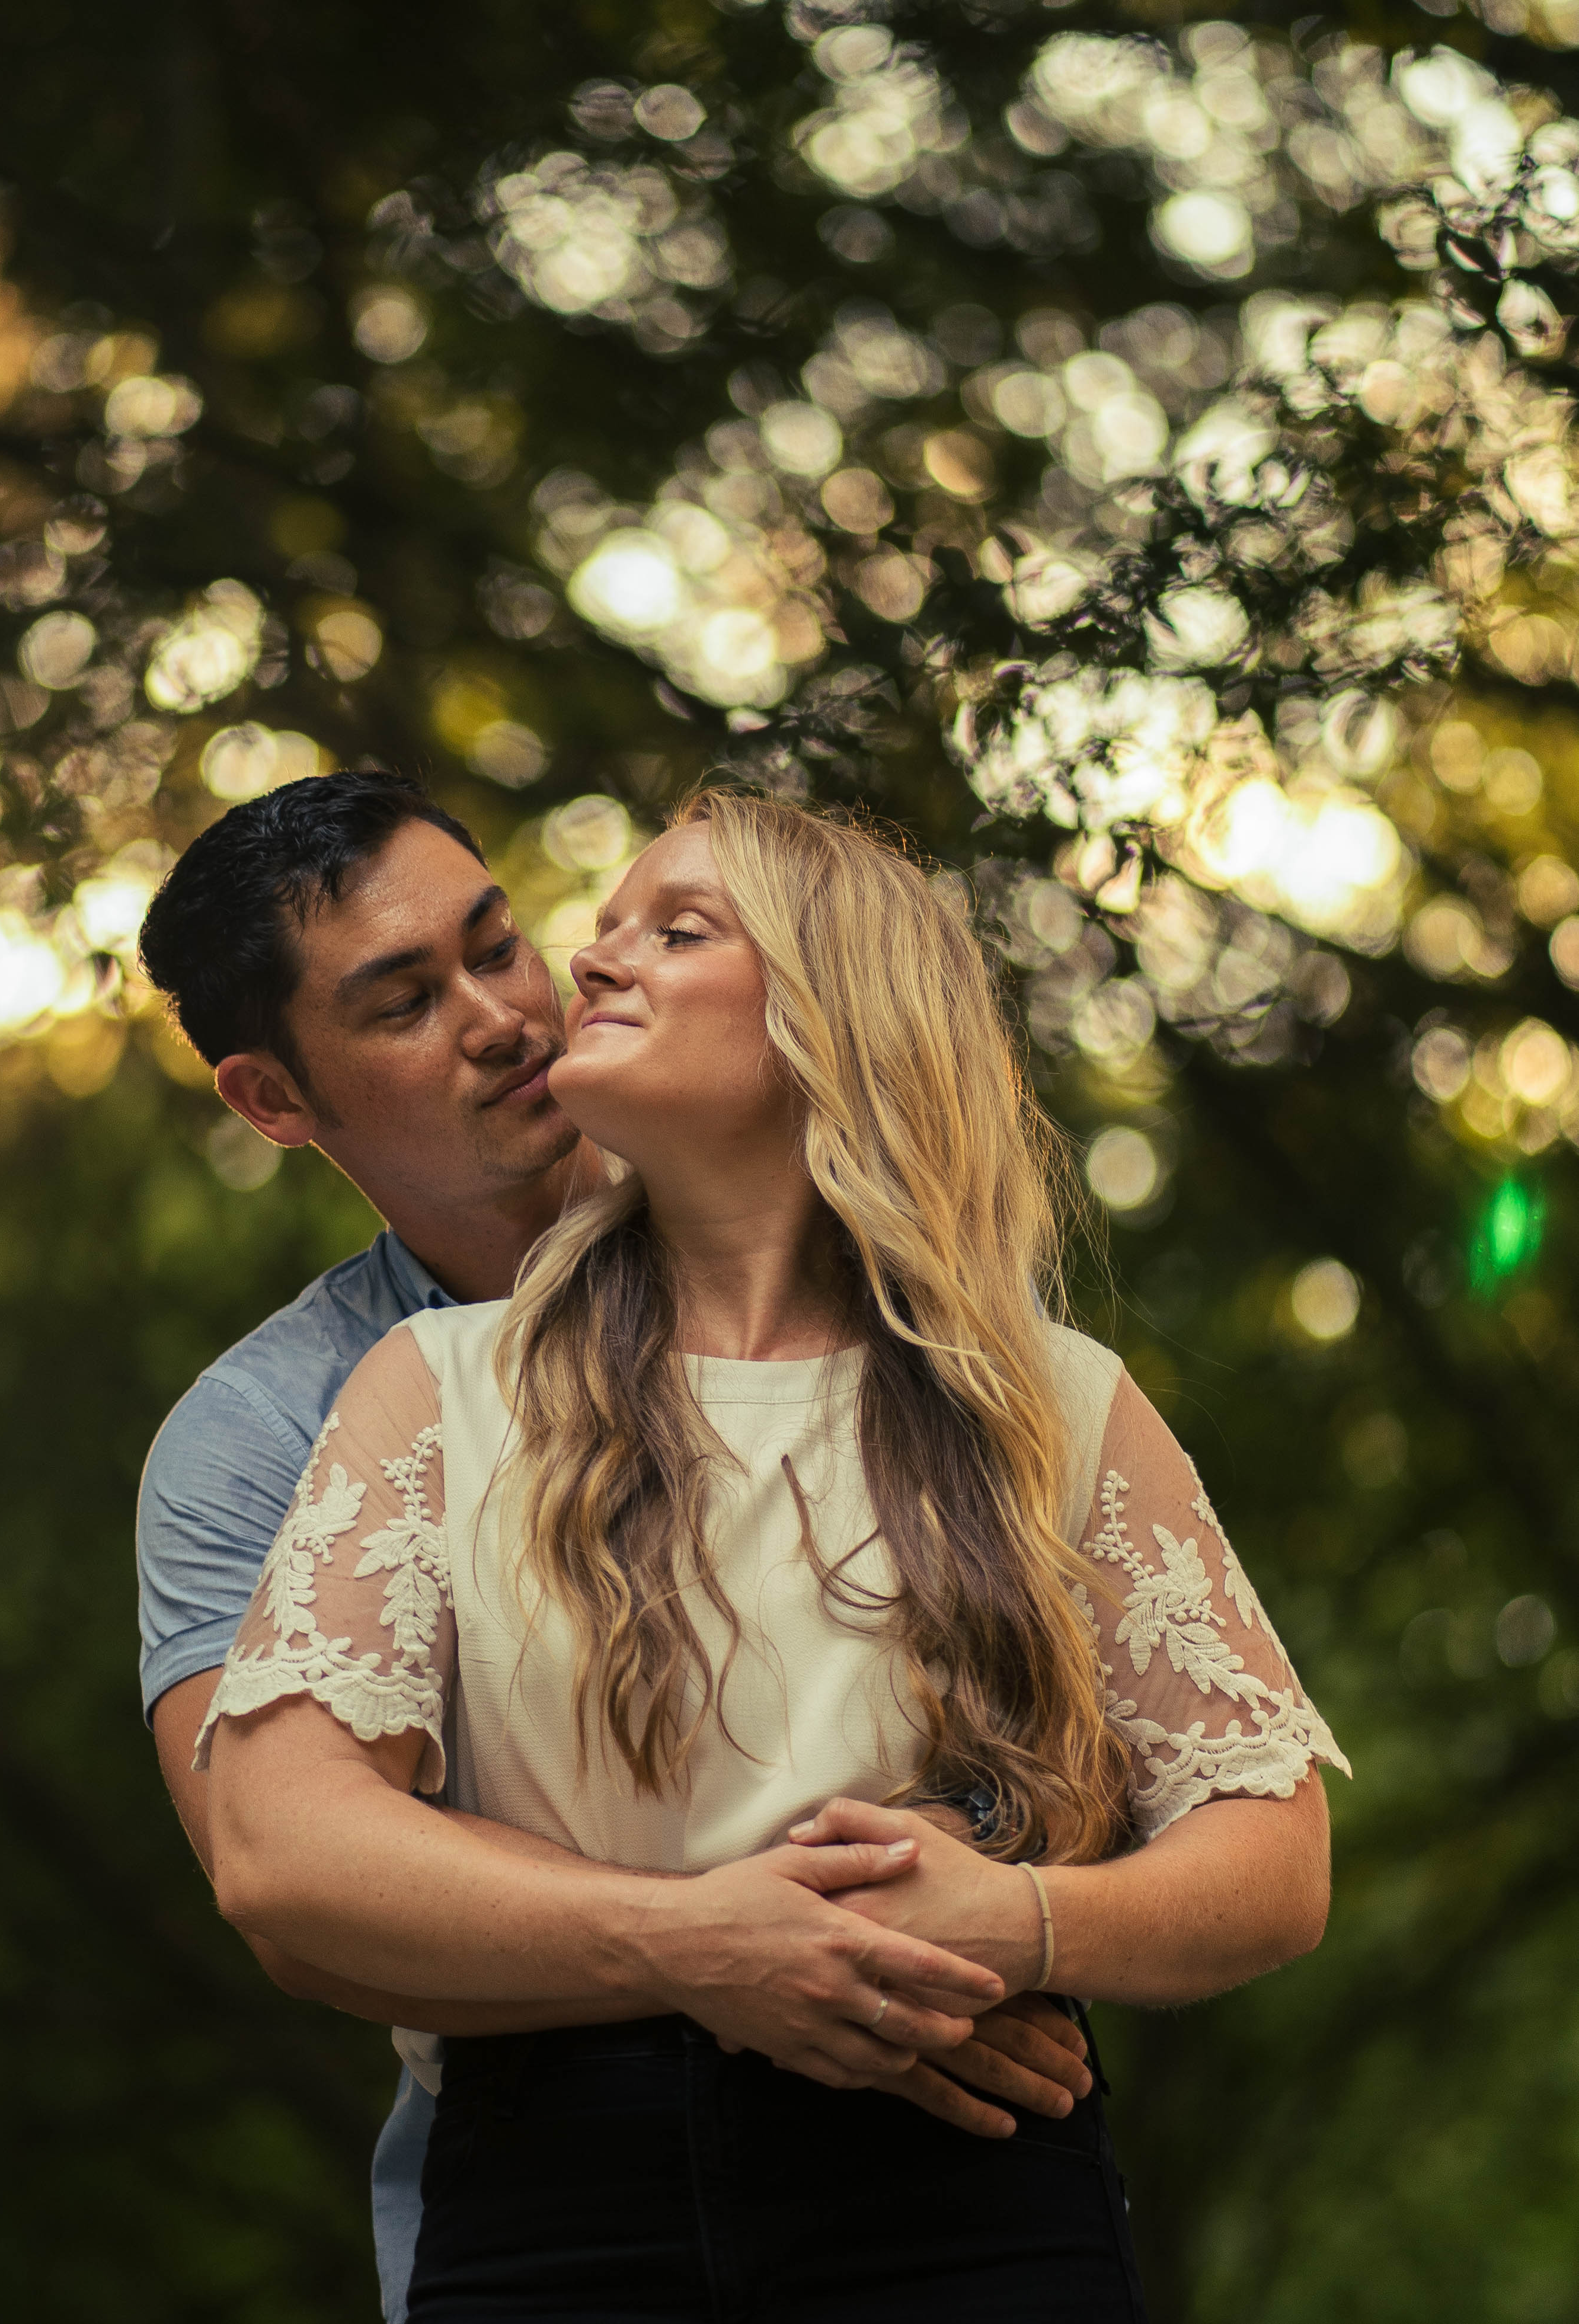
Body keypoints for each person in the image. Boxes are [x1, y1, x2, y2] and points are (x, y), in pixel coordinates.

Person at [199, 790, 1348, 2322]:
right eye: (606, 926)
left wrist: (1015, 1920)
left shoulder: (1047, 1400)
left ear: (834, 1018)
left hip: (970, 2187)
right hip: (559, 2208)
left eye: (674, 931)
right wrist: (699, 1943)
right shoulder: (438, 1387)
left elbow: (1268, 1857)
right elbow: (286, 1855)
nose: (587, 966)